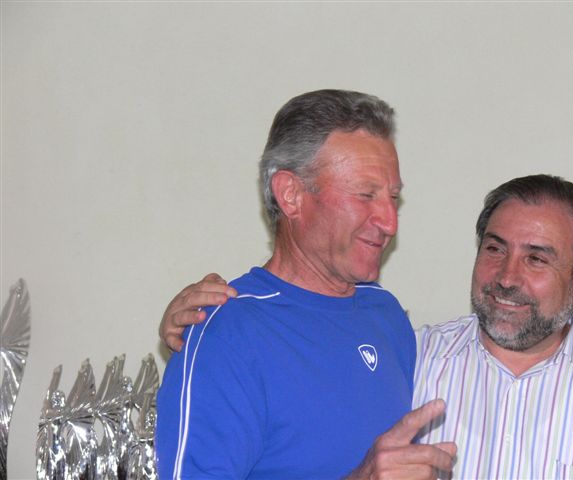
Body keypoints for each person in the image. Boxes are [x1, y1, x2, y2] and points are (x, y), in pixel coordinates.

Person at [161, 174, 573, 479]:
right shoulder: (405, 354)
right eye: (495, 249)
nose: (507, 277)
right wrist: (210, 318)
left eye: (536, 259)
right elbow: (303, 350)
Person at [155, 89, 456, 480]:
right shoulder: (228, 335)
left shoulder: (385, 315)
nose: (389, 222)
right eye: (365, 195)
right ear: (291, 195)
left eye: (393, 198)